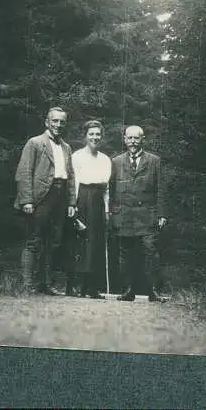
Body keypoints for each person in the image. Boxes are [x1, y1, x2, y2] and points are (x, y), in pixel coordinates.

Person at [14, 107, 76, 295]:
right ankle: (27, 285)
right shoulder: (35, 143)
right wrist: (27, 200)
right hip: (40, 197)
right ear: (47, 122)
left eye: (62, 122)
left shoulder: (66, 147)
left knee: (54, 242)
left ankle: (45, 284)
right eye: (55, 121)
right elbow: (24, 172)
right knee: (34, 240)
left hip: (60, 197)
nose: (58, 125)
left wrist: (72, 202)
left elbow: (71, 176)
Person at [109, 125, 167, 303]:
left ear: (143, 140)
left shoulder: (154, 161)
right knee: (125, 254)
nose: (133, 142)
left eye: (136, 138)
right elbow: (110, 190)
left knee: (150, 252)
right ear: (124, 139)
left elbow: (161, 189)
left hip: (147, 216)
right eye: (130, 138)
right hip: (124, 215)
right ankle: (128, 290)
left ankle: (153, 291)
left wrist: (161, 214)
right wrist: (111, 213)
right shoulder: (116, 162)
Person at [69, 120, 112, 299]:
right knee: (81, 241)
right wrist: (73, 205)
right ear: (85, 136)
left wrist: (107, 210)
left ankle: (92, 287)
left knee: (95, 243)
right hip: (81, 198)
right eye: (91, 134)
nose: (95, 137)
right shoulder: (77, 156)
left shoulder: (105, 159)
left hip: (98, 201)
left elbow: (107, 188)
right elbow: (74, 183)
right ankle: (77, 286)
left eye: (98, 134)